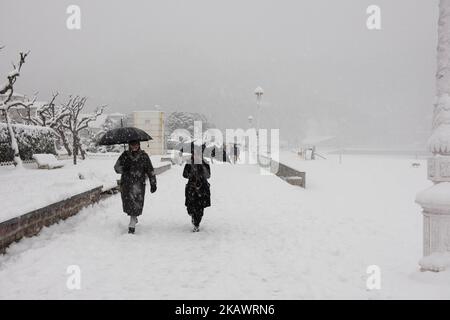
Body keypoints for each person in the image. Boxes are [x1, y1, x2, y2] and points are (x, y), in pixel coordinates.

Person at [114, 140, 157, 234]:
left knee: (136, 203)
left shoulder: (144, 156)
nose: (134, 146)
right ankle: (133, 218)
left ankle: (132, 222)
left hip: (139, 184)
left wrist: (153, 183)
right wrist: (124, 168)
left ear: (139, 145)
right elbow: (116, 168)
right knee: (129, 203)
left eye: (136, 144)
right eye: (132, 144)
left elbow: (150, 170)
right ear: (129, 145)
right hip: (127, 184)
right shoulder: (124, 155)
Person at [183, 143, 211, 232]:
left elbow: (208, 175)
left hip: (202, 189)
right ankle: (192, 216)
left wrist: (202, 168)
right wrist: (191, 174)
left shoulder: (205, 163)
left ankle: (197, 223)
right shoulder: (189, 163)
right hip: (191, 188)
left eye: (198, 153)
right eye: (195, 153)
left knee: (200, 208)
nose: (196, 155)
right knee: (190, 207)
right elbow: (184, 174)